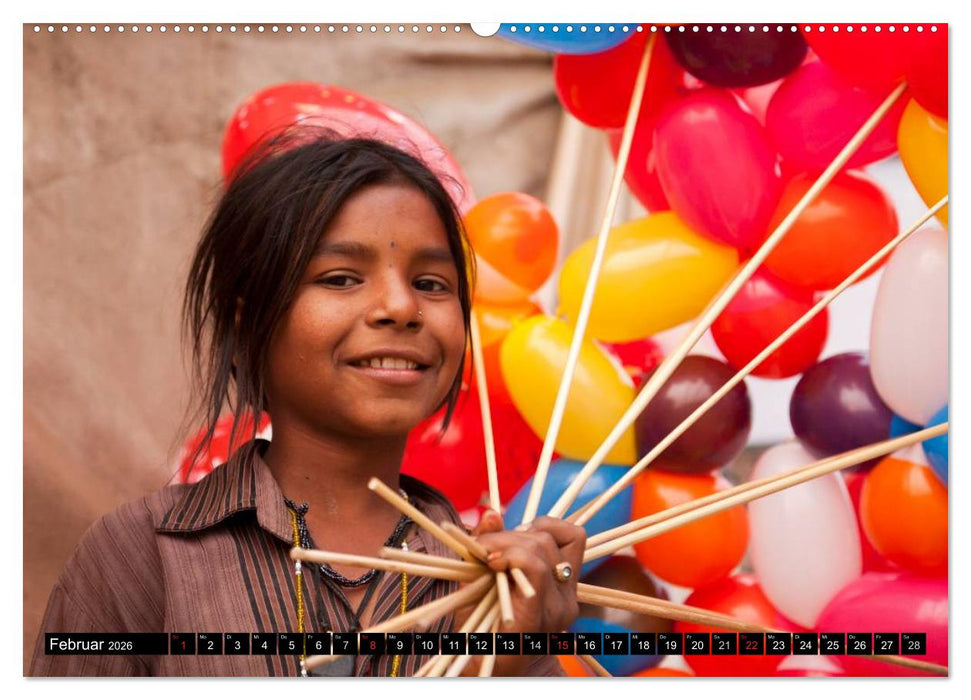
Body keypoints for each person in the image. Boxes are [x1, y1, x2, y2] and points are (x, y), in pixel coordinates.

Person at [30, 130, 586, 677]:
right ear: (250, 328)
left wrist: (501, 668)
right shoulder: (143, 555)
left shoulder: (498, 586)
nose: (400, 306)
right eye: (341, 278)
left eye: (432, 283)